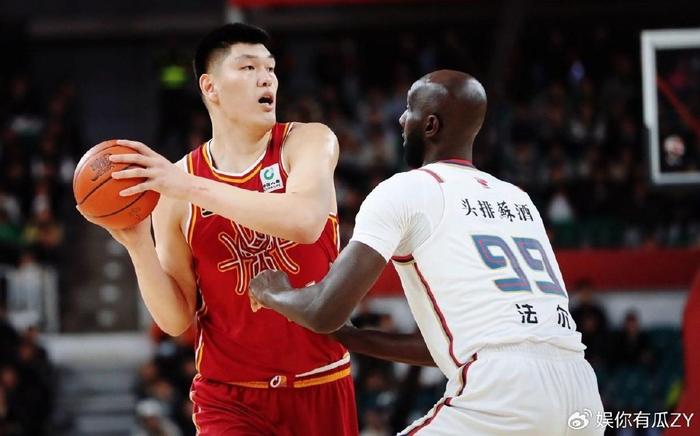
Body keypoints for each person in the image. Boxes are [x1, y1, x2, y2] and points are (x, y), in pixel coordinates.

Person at [250, 70, 605, 436]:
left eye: (410, 109)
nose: (402, 119)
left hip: (504, 392)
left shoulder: (406, 190)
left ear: (431, 125)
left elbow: (323, 310)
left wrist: (270, 291)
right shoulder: (518, 199)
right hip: (580, 390)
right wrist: (353, 338)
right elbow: (452, 343)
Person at [80, 23, 358, 435]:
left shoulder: (308, 142)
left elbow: (303, 222)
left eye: (270, 68)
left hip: (320, 381)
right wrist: (138, 245)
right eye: (247, 68)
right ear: (210, 87)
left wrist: (188, 187)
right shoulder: (176, 186)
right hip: (229, 396)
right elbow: (176, 319)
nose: (266, 78)